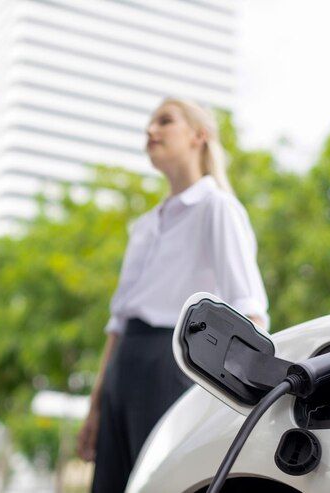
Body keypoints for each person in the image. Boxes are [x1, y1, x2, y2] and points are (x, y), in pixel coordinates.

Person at [77, 98, 270, 492]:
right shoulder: (145, 225)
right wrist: (96, 405)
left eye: (164, 121)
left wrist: (238, 408)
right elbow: (118, 323)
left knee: (162, 484)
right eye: (149, 124)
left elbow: (251, 312)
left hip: (174, 364)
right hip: (124, 365)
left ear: (199, 136)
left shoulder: (217, 208)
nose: (151, 131)